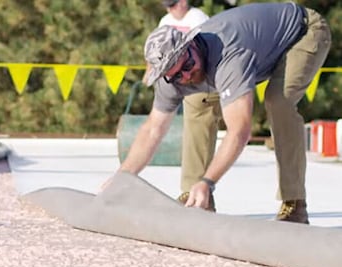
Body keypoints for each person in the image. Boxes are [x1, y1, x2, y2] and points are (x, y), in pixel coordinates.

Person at [114, 2, 331, 224]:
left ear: (192, 45)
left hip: (302, 32)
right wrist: (121, 179)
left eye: (187, 65)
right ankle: (196, 197)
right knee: (197, 101)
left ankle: (294, 204)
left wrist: (208, 182)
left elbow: (239, 131)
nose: (186, 76)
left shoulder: (229, 56)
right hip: (259, 48)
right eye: (176, 75)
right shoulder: (172, 77)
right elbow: (153, 129)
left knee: (278, 101)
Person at [157, 0, 223, 211]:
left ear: (183, 2)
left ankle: (199, 191)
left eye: (173, 5)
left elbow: (205, 48)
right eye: (168, 6)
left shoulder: (198, 17)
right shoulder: (165, 21)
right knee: (186, 127)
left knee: (199, 118)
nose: (170, 10)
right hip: (178, 79)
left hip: (202, 75)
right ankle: (191, 190)